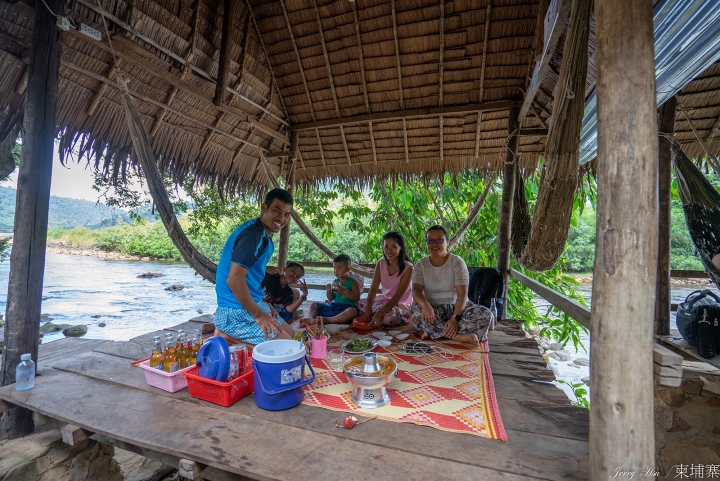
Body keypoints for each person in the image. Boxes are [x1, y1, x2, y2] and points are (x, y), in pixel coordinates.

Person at [214, 188, 295, 346]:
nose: (281, 218)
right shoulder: (253, 236)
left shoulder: (265, 238)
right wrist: (259, 315)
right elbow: (234, 279)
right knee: (289, 347)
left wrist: (263, 304)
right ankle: (226, 336)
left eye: (286, 214)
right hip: (234, 309)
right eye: (276, 211)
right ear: (264, 208)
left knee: (291, 335)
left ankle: (236, 336)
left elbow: (250, 275)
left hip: (252, 301)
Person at [410, 225, 492, 347]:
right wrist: (426, 305)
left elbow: (462, 294)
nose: (434, 244)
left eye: (439, 240)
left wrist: (455, 319)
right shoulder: (421, 264)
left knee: (485, 314)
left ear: (447, 242)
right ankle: (458, 337)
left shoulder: (457, 262)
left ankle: (435, 332)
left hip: (458, 308)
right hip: (434, 309)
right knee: (415, 311)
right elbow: (416, 290)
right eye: (430, 240)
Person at [362, 232, 414, 327]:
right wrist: (368, 308)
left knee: (388, 319)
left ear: (400, 247)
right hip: (385, 300)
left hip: (402, 304)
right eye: (386, 247)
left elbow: (397, 296)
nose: (389, 250)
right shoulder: (381, 264)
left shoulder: (409, 268)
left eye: (394, 246)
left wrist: (380, 313)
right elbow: (373, 289)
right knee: (359, 307)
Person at [304, 254, 359, 324]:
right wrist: (328, 291)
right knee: (314, 305)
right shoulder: (335, 282)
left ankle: (328, 320)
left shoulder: (353, 281)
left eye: (339, 268)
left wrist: (344, 290)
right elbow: (331, 298)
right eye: (334, 268)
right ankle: (311, 318)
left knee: (352, 312)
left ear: (347, 269)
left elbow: (357, 298)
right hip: (334, 307)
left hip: (347, 308)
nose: (336, 271)